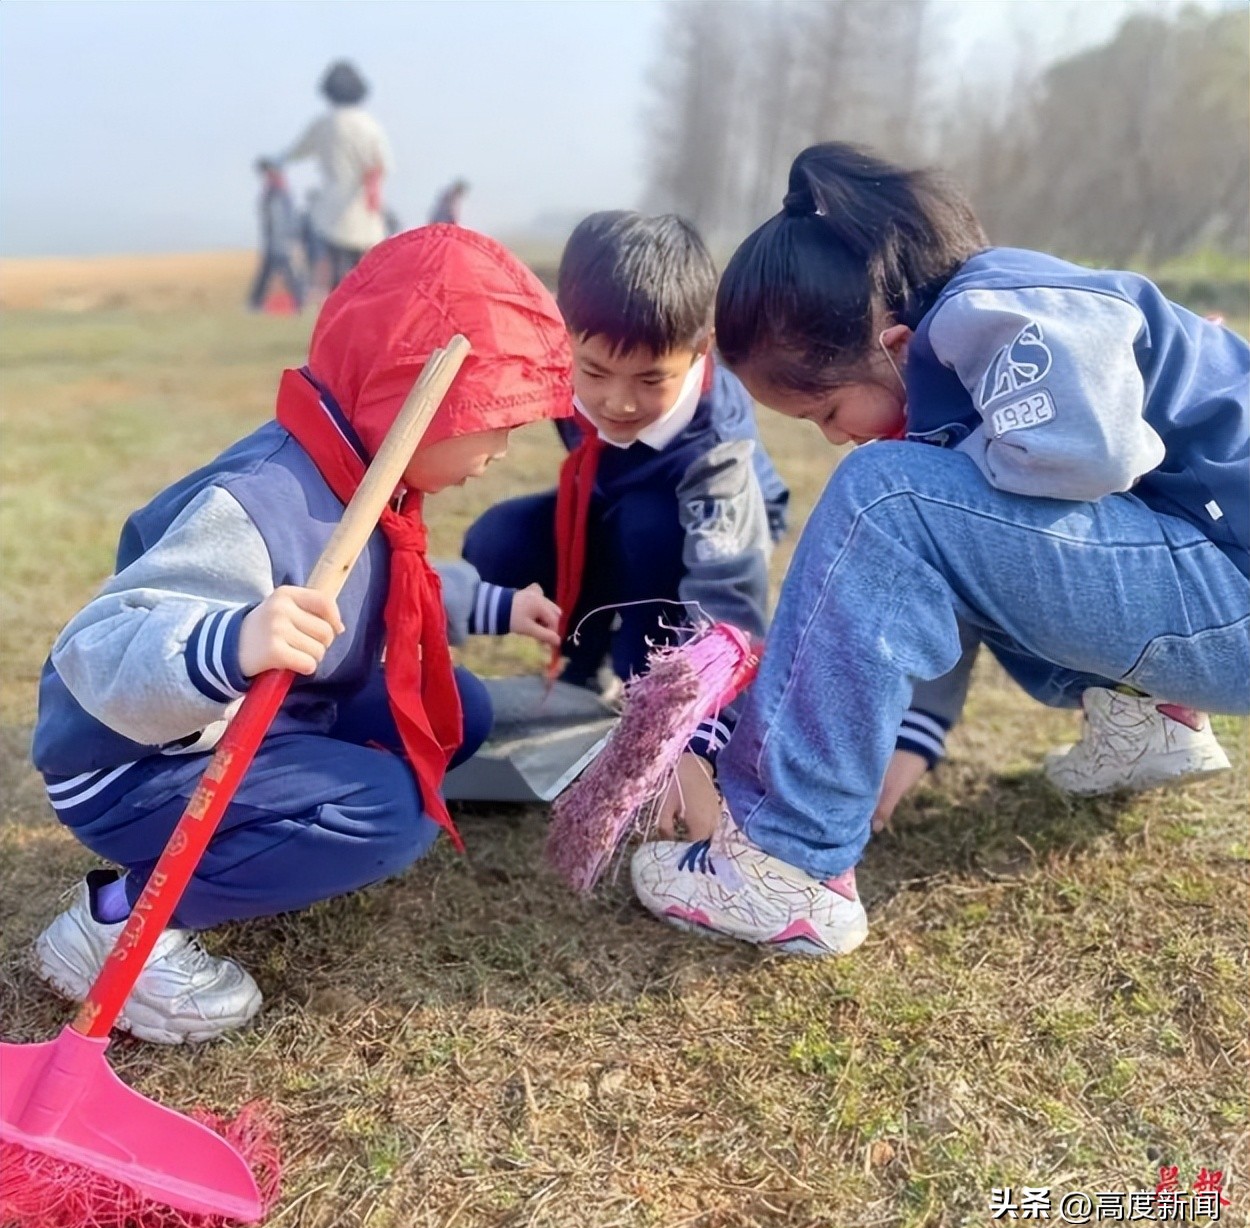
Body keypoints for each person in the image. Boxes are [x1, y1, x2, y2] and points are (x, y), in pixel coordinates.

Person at [631, 141, 1248, 957]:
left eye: (825, 412)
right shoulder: (973, 347)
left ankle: (785, 862)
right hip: (1210, 574)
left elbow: (1093, 454)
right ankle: (1147, 715)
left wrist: (938, 472)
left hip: (1226, 582)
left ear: (892, 345)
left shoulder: (985, 308)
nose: (836, 439)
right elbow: (986, 546)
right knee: (932, 500)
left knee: (886, 496)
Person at [30, 226, 571, 1043]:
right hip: (141, 762)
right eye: (492, 420)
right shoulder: (257, 505)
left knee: (453, 709)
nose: (499, 449)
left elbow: (398, 583)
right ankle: (117, 924)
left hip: (280, 714)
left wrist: (493, 605)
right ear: (411, 400)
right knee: (390, 815)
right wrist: (234, 639)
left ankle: (292, 817)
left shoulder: (361, 467)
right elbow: (96, 654)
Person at [461, 210, 790, 722]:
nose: (619, 402)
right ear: (563, 333)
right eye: (595, 371)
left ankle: (647, 692)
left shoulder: (717, 444)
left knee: (648, 526)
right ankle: (581, 666)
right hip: (609, 505)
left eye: (650, 380)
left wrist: (708, 722)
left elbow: (729, 596)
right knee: (498, 539)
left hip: (707, 538)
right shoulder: (559, 367)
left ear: (700, 350)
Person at [277, 59, 392, 290]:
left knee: (337, 279)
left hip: (329, 214)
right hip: (363, 211)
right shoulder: (369, 125)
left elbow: (295, 152)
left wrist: (274, 162)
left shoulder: (324, 124)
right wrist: (374, 194)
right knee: (367, 275)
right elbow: (380, 165)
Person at [247, 158, 306, 312]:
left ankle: (298, 303)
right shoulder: (274, 191)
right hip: (275, 241)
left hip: (280, 242)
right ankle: (255, 302)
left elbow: (280, 221)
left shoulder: (278, 193)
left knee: (286, 272)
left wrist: (284, 242)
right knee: (271, 272)